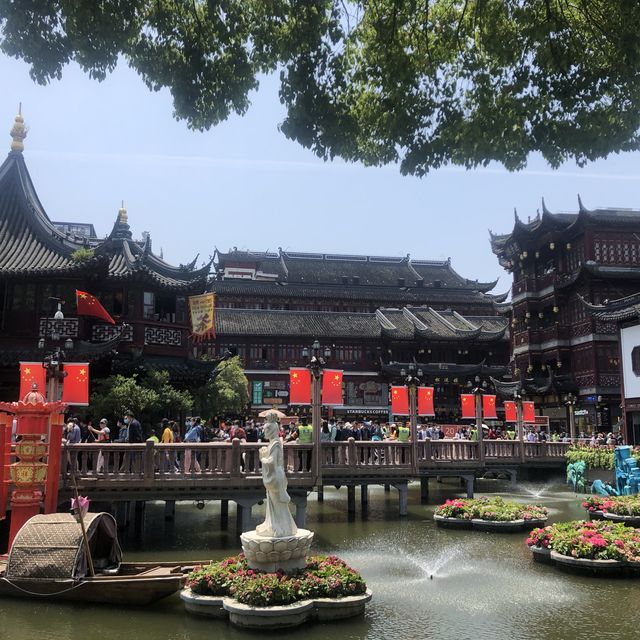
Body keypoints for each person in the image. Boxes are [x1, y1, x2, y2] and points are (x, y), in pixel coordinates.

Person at [255, 415, 297, 538]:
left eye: (266, 430)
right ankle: (274, 524)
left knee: (277, 503)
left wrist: (263, 458)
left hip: (275, 476)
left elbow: (272, 461)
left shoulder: (276, 444)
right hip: (274, 475)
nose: (264, 432)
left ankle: (281, 527)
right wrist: (264, 452)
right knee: (273, 502)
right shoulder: (274, 442)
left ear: (272, 430)